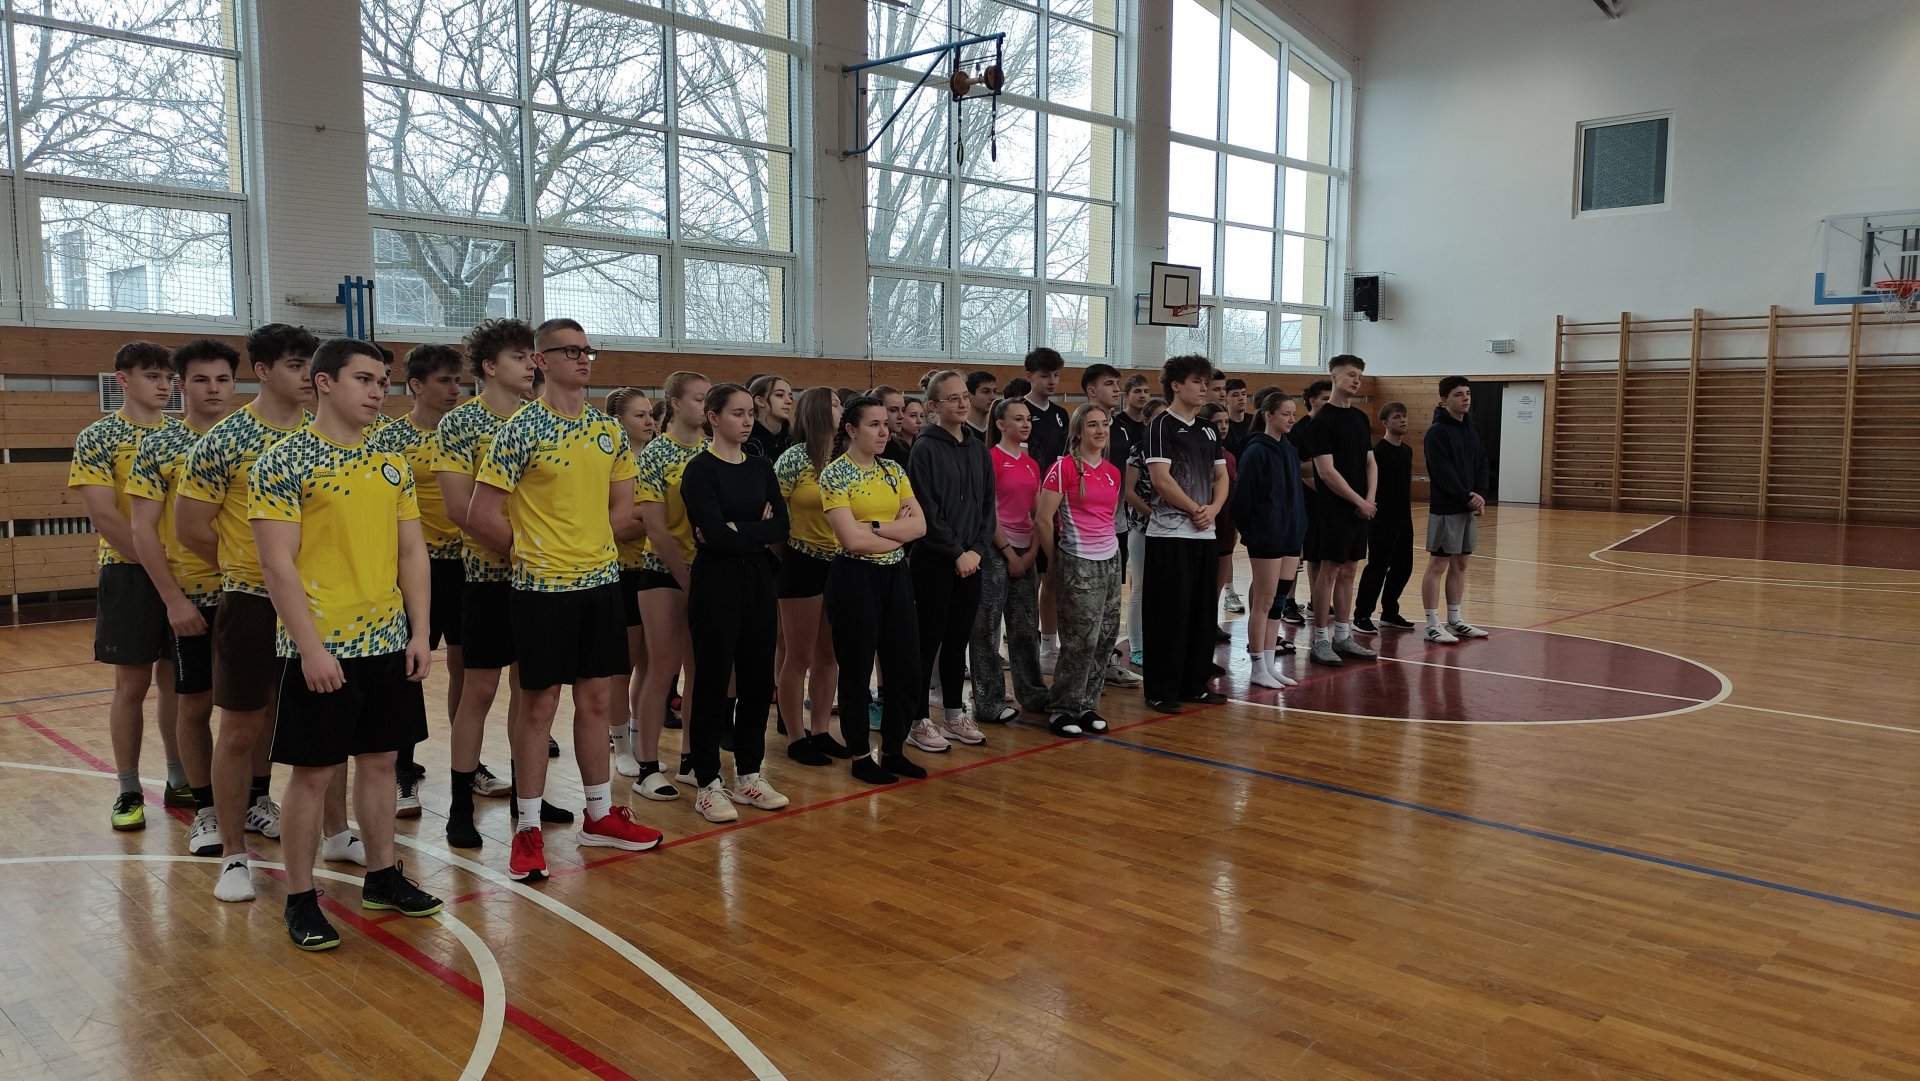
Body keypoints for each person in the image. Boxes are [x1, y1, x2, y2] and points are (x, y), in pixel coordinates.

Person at [250, 336, 443, 950]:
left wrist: (419, 631)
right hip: (322, 646)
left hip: (387, 641)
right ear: (325, 382)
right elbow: (277, 566)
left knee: (382, 762)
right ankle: (301, 898)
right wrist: (309, 648)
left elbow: (412, 552)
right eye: (364, 379)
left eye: (382, 381)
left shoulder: (389, 462)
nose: (377, 391)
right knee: (313, 774)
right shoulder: (283, 462)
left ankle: (383, 876)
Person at [179, 324, 366, 903]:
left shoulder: (333, 434)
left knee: (329, 725)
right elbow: (190, 527)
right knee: (241, 727)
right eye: (293, 365)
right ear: (261, 371)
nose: (307, 375)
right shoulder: (226, 439)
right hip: (252, 603)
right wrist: (254, 567)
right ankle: (234, 855)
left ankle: (337, 833)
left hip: (326, 605)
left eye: (312, 365)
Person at [470, 318, 662, 883]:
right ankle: (527, 828)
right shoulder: (520, 429)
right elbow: (481, 514)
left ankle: (599, 815)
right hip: (540, 590)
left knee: (597, 701)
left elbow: (623, 508)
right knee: (538, 706)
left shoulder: (607, 432)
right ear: (541, 360)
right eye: (570, 350)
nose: (582, 359)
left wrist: (588, 547)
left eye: (587, 350)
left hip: (600, 585)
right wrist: (533, 551)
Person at [431, 319, 547, 850]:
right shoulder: (460, 424)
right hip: (487, 576)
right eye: (519, 357)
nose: (530, 366)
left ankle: (528, 799)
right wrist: (530, 552)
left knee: (532, 690)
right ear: (489, 367)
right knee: (479, 690)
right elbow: (461, 509)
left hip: (543, 583)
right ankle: (460, 806)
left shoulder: (540, 419)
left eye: (531, 357)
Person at [71, 341, 188, 832]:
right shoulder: (98, 437)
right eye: (152, 376)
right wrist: (156, 567)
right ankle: (128, 789)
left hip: (185, 574)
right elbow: (104, 516)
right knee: (132, 685)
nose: (164, 385)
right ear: (122, 379)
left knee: (178, 684)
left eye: (168, 378)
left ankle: (180, 777)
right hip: (128, 573)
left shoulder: (183, 435)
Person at [126, 339, 237, 855]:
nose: (213, 389)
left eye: (223, 379)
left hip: (252, 594)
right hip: (194, 596)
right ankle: (206, 809)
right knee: (195, 705)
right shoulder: (159, 446)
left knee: (256, 706)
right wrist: (173, 600)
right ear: (182, 385)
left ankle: (256, 798)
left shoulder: (253, 438)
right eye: (200, 379)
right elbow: (143, 531)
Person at [681, 384, 792, 821]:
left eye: (749, 413)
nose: (747, 421)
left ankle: (749, 774)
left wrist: (736, 529)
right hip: (716, 581)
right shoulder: (700, 470)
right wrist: (749, 530)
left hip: (758, 579)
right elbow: (712, 534)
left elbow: (780, 527)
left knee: (757, 681)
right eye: (737, 413)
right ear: (713, 417)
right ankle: (707, 782)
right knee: (711, 681)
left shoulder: (761, 467)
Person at [369, 343, 465, 818]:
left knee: (469, 669)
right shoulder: (389, 439)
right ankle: (402, 770)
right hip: (412, 570)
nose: (455, 390)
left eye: (458, 381)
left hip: (467, 566)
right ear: (416, 386)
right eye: (444, 381)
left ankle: (469, 765)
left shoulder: (466, 433)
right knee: (408, 671)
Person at [820, 396, 928, 785]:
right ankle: (861, 755)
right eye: (874, 424)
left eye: (886, 424)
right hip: (854, 578)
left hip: (895, 576)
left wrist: (875, 528)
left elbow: (920, 527)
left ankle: (894, 749)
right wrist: (896, 532)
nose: (885, 431)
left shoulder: (893, 470)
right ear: (851, 430)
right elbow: (850, 540)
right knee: (856, 669)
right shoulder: (835, 474)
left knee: (906, 667)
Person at [906, 371, 996, 753]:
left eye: (964, 397)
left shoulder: (978, 447)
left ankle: (955, 713)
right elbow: (925, 508)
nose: (962, 403)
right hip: (934, 560)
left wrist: (976, 550)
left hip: (972, 560)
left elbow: (988, 506)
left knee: (958, 640)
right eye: (952, 398)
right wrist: (955, 552)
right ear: (933, 406)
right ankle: (916, 720)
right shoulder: (924, 448)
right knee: (928, 641)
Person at [633, 371, 709, 799]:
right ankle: (646, 766)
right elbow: (657, 529)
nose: (706, 406)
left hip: (707, 572)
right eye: (699, 398)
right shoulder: (655, 454)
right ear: (676, 404)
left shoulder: (712, 451)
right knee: (663, 667)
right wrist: (686, 578)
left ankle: (691, 759)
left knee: (700, 669)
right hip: (663, 571)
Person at [1140, 355, 1230, 714]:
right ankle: (1160, 690)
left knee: (1202, 614)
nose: (1203, 388)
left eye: (1205, 382)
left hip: (1204, 534)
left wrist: (1214, 509)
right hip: (1169, 536)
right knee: (1169, 615)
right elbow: (1161, 480)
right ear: (1176, 385)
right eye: (1196, 381)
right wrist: (1195, 509)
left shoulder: (1208, 428)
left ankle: (1195, 685)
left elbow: (1221, 476)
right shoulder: (1160, 426)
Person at [1036, 405, 1125, 736]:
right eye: (1092, 425)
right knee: (1080, 641)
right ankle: (1062, 708)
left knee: (1104, 638)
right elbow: (1043, 518)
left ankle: (1087, 704)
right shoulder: (1064, 468)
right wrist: (1056, 560)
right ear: (1078, 432)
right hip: (1077, 560)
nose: (1100, 431)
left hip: (1110, 560)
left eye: (1104, 424)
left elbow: (1107, 518)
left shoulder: (1112, 472)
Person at [774, 388, 849, 766]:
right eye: (835, 403)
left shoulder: (845, 458)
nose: (841, 409)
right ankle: (795, 735)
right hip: (801, 562)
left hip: (840, 564)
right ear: (819, 411)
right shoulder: (792, 460)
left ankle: (820, 729)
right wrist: (791, 552)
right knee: (798, 655)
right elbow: (772, 517)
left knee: (829, 654)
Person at [969, 397, 1047, 726]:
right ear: (1001, 425)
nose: (1026, 424)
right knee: (987, 628)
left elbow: (1038, 512)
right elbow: (987, 511)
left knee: (1026, 627)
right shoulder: (990, 459)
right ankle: (989, 701)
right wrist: (1009, 553)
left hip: (1025, 551)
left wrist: (1031, 553)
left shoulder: (1030, 463)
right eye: (1018, 419)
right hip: (994, 552)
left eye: (1028, 418)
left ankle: (1033, 692)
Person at [1301, 355, 1379, 667]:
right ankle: (1320, 639)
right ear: (1334, 377)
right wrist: (1358, 501)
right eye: (1351, 374)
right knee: (1330, 571)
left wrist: (1369, 499)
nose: (1357, 380)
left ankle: (1343, 636)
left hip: (1360, 508)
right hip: (1334, 509)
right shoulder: (1322, 421)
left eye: (1360, 375)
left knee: (1349, 571)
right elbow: (1326, 471)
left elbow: (1370, 462)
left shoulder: (1359, 418)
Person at [1231, 393, 1308, 688]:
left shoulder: (1289, 449)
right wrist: (1255, 531)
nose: (1291, 419)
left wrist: (1299, 525)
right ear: (1268, 415)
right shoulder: (1256, 451)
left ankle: (1269, 663)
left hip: (1290, 535)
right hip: (1267, 536)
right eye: (1286, 414)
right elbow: (1241, 501)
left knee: (1278, 601)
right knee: (1263, 601)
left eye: (1293, 414)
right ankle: (1256, 666)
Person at [1079, 364, 1143, 688]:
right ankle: (1082, 668)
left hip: (1116, 525)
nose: (1117, 389)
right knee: (1087, 604)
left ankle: (1105, 662)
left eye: (1118, 383)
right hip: (1086, 532)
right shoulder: (1081, 428)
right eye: (1109, 384)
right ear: (1092, 391)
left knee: (1111, 598)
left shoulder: (1122, 428)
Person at [605, 388, 655, 778]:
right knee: (622, 666)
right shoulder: (609, 465)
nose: (650, 421)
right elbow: (614, 527)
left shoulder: (653, 460)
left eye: (650, 414)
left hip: (653, 569)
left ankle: (639, 741)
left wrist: (644, 515)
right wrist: (650, 518)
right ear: (617, 421)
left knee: (653, 665)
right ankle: (619, 744)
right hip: (621, 572)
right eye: (640, 415)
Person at [1421, 377, 1493, 643]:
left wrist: (1481, 494)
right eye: (1459, 394)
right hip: (1447, 508)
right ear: (1444, 400)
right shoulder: (1437, 432)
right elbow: (1442, 473)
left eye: (1468, 393)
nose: (1466, 398)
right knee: (1438, 564)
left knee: (1461, 563)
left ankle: (1455, 619)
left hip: (1468, 507)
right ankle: (1432, 624)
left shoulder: (1472, 429)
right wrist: (1466, 497)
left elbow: (1482, 463)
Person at [1021, 348, 1070, 672]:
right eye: (1044, 375)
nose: (1051, 381)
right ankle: (1026, 645)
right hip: (1027, 507)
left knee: (1052, 573)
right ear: (1029, 376)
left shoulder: (1061, 414)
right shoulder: (1020, 411)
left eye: (1055, 375)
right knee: (1030, 581)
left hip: (1055, 505)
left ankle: (1049, 646)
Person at [1353, 401, 1416, 634]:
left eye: (1404, 416)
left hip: (1404, 518)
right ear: (1385, 422)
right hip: (1382, 519)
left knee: (1404, 566)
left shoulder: (1407, 450)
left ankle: (1389, 611)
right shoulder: (1378, 452)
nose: (1403, 420)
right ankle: (1362, 614)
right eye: (1397, 417)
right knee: (1378, 567)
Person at [1277, 378, 1332, 627]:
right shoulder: (1299, 430)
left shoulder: (1331, 427)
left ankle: (1315, 599)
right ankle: (1288, 602)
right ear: (1312, 400)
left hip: (1325, 502)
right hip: (1301, 501)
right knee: (1295, 557)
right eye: (1324, 399)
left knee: (1318, 555)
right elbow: (1299, 468)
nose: (1329, 403)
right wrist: (1324, 472)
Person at [1119, 376, 1154, 666]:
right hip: (1141, 527)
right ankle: (1137, 646)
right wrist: (1155, 514)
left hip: (1170, 530)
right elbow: (1128, 493)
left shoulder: (1174, 450)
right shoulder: (1138, 450)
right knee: (1139, 588)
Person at [1202, 403, 1241, 644]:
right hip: (1204, 525)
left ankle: (1211, 623)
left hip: (1226, 526)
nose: (1223, 426)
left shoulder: (1229, 457)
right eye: (1218, 422)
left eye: (1226, 422)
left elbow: (1233, 493)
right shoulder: (1198, 454)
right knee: (1203, 583)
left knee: (1217, 583)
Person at [745, 374, 794, 460]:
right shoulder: (745, 439)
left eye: (790, 397)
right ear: (760, 401)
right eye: (780, 395)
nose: (789, 401)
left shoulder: (793, 439)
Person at [871, 385, 912, 465]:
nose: (901, 416)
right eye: (893, 410)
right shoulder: (866, 450)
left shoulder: (904, 447)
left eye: (903, 410)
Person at [963, 371, 998, 441]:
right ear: (969, 395)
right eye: (986, 392)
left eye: (994, 391)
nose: (993, 397)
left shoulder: (999, 428)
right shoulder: (959, 430)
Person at [1223, 378, 1255, 455]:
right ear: (1226, 399)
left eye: (1243, 394)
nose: (1241, 398)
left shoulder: (1254, 420)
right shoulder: (1223, 423)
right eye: (1235, 395)